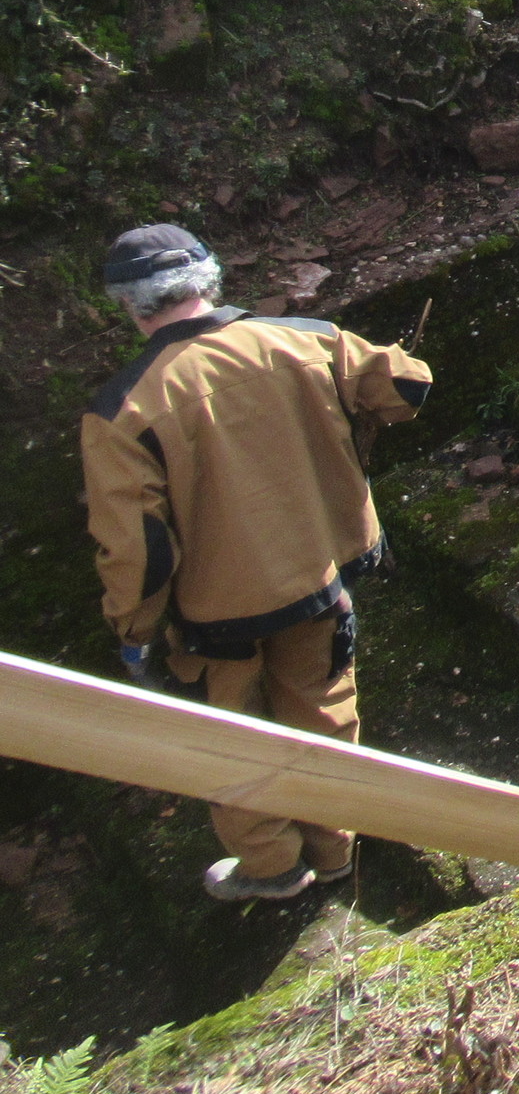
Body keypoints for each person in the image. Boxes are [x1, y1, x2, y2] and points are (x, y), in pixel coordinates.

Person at [81, 226, 431, 902]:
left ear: (128, 306)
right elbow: (407, 387)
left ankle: (273, 868)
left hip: (216, 619)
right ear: (210, 280)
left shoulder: (121, 411)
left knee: (229, 740)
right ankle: (334, 849)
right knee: (323, 711)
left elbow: (139, 552)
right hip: (319, 582)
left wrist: (134, 633)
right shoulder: (304, 341)